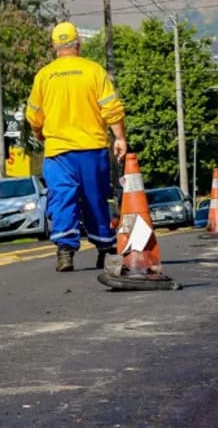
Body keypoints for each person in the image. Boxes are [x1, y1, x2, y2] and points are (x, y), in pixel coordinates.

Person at [25, 22, 128, 272]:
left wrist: (40, 134)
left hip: (58, 152)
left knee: (62, 198)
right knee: (95, 198)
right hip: (92, 148)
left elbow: (34, 116)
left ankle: (65, 252)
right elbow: (111, 108)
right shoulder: (94, 71)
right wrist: (120, 138)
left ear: (54, 46)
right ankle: (105, 249)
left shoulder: (44, 75)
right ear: (78, 44)